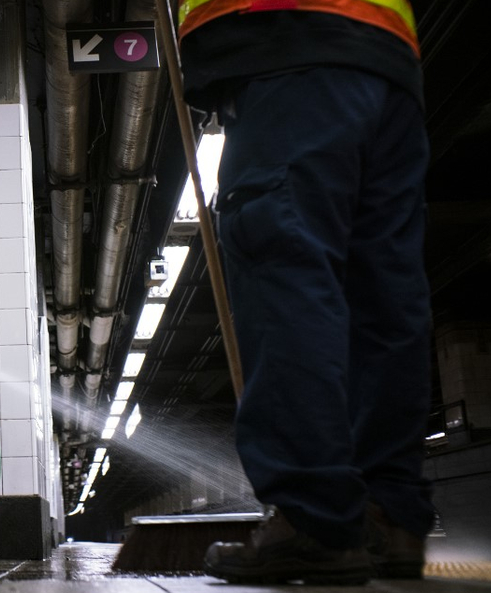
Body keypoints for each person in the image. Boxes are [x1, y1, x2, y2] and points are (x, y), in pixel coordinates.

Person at [175, 0, 433, 585]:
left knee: (284, 267)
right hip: (388, 58)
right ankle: (390, 515)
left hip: (284, 39)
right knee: (386, 295)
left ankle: (316, 519)